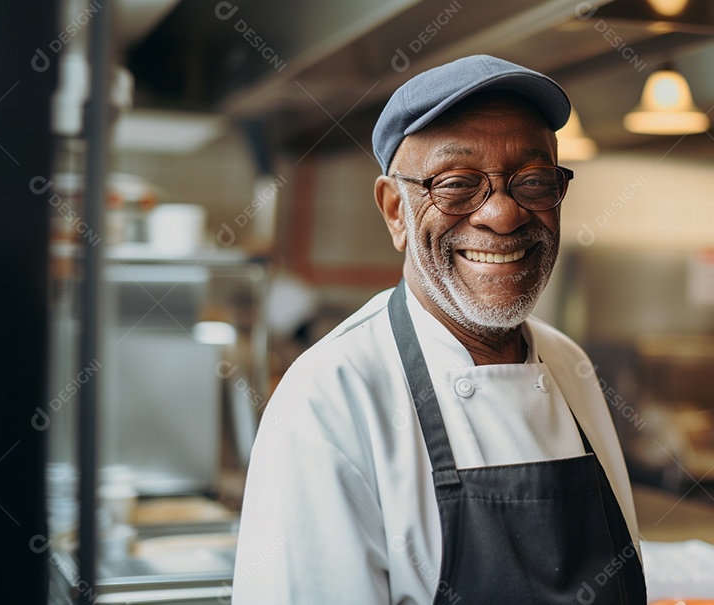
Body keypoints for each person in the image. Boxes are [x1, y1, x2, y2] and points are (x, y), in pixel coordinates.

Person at [233, 54, 646, 603]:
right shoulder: (330, 396)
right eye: (456, 184)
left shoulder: (569, 364)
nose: (503, 215)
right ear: (395, 212)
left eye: (534, 180)